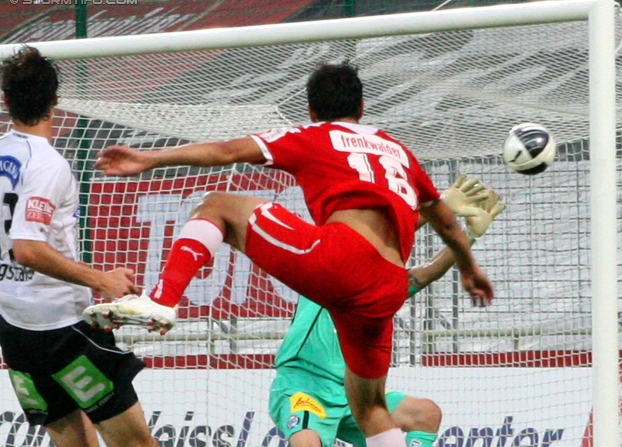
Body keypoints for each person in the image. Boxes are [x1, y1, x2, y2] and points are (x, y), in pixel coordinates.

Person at [85, 61, 494, 447]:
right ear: (363, 106)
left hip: (339, 262)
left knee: (218, 206)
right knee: (371, 408)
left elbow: (228, 153)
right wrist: (469, 268)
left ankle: (163, 299)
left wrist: (150, 158)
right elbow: (443, 220)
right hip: (384, 289)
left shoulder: (314, 136)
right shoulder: (398, 152)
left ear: (312, 111)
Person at [270, 176, 505, 447]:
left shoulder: (379, 290)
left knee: (425, 414)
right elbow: (375, 243)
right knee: (306, 443)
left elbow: (426, 273)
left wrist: (467, 237)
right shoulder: (325, 271)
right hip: (304, 385)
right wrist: (439, 210)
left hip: (352, 393)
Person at [0, 47, 157, 447]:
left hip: (14, 327)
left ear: (6, 101)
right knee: (136, 443)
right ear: (56, 99)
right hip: (61, 329)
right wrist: (100, 279)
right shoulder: (47, 164)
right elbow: (28, 249)